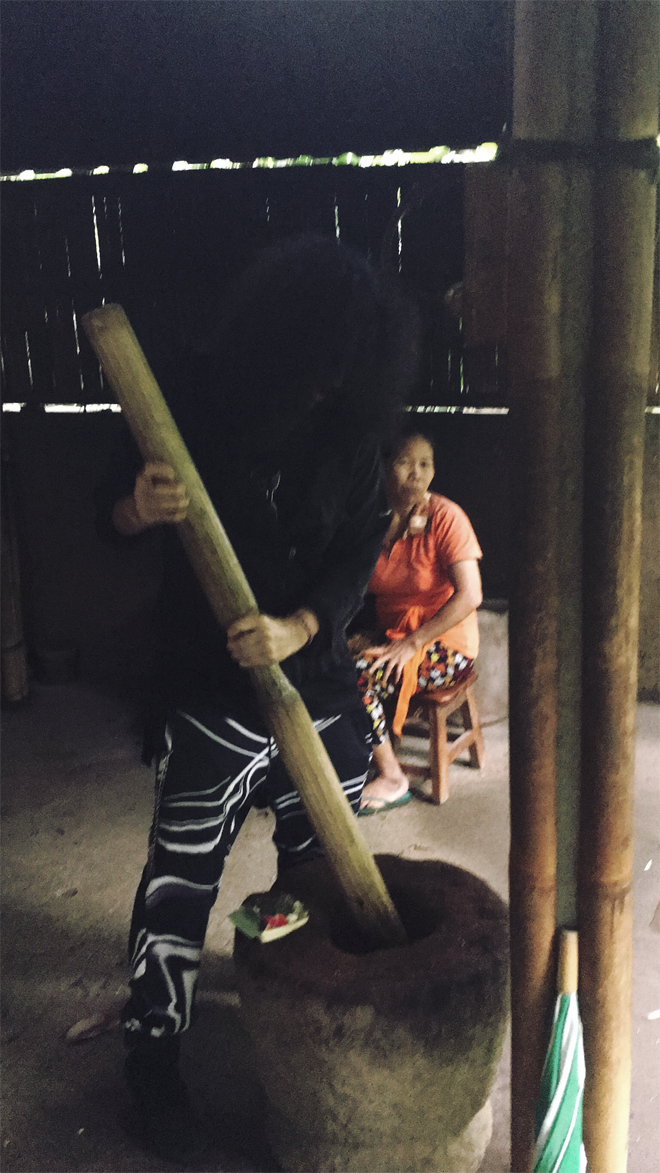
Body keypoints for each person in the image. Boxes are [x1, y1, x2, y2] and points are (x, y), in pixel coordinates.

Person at [94, 235, 418, 1160]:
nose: (328, 385)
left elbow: (354, 559)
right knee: (180, 880)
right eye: (317, 364)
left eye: (344, 370)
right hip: (207, 692)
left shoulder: (355, 434)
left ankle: (283, 1013)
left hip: (317, 693)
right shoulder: (190, 405)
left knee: (309, 887)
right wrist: (137, 507)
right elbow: (108, 516)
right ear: (277, 341)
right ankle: (154, 1065)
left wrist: (299, 628)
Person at [353, 427, 483, 814]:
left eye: (425, 464)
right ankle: (355, 754)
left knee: (356, 676)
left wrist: (412, 643)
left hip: (446, 644)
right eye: (405, 462)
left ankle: (393, 778)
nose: (417, 473)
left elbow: (471, 595)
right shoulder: (368, 519)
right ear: (382, 467)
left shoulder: (445, 517)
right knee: (328, 661)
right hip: (394, 634)